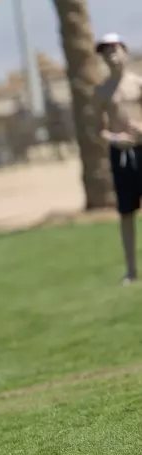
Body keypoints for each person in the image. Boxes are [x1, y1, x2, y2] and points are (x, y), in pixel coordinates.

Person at [95, 33, 142, 284]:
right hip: (121, 154)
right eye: (104, 51)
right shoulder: (101, 92)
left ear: (124, 50)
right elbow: (97, 129)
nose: (110, 54)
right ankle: (131, 271)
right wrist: (114, 139)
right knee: (126, 213)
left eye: (113, 48)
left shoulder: (138, 84)